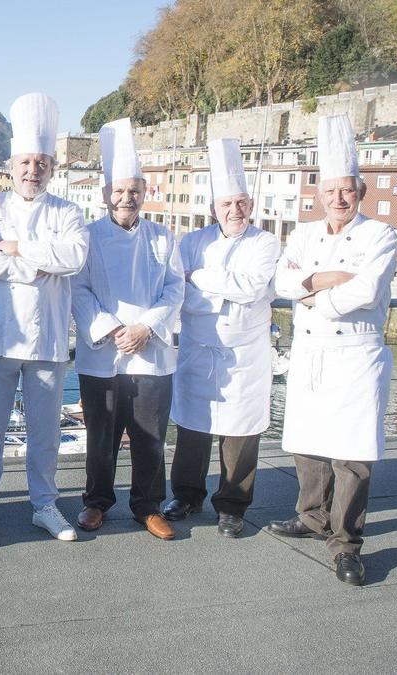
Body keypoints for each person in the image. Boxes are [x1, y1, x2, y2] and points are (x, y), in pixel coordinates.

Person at [270, 114, 397, 586]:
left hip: (358, 356)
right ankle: (310, 516)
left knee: (352, 456)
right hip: (310, 354)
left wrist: (309, 294)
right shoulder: (303, 234)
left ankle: (346, 544)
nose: (338, 199)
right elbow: (281, 281)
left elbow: (364, 291)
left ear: (360, 191)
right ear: (319, 194)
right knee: (307, 443)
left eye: (347, 190)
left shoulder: (380, 235)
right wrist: (321, 280)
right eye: (330, 191)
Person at [0, 93, 88, 541]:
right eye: (26, 163)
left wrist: (15, 249)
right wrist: (39, 265)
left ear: (53, 168)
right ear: (10, 166)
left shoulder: (69, 211)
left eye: (42, 163)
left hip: (50, 340)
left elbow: (74, 257)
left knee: (45, 433)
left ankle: (46, 505)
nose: (33, 170)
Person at [70, 118, 183, 541]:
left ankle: (148, 507)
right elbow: (77, 289)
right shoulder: (88, 236)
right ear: (105, 195)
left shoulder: (162, 237)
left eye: (134, 191)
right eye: (119, 191)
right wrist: (113, 329)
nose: (126, 198)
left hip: (151, 353)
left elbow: (175, 288)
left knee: (151, 436)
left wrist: (145, 328)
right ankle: (96, 502)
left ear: (144, 194)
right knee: (101, 436)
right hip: (104, 352)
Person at [163, 138, 280, 537]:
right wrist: (223, 288)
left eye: (242, 202)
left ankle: (232, 504)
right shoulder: (193, 243)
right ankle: (186, 494)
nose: (236, 210)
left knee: (241, 432)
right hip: (199, 347)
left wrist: (202, 280)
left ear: (251, 204)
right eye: (227, 204)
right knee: (193, 428)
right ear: (213, 208)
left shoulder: (265, 242)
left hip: (245, 352)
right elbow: (181, 296)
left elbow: (252, 287)